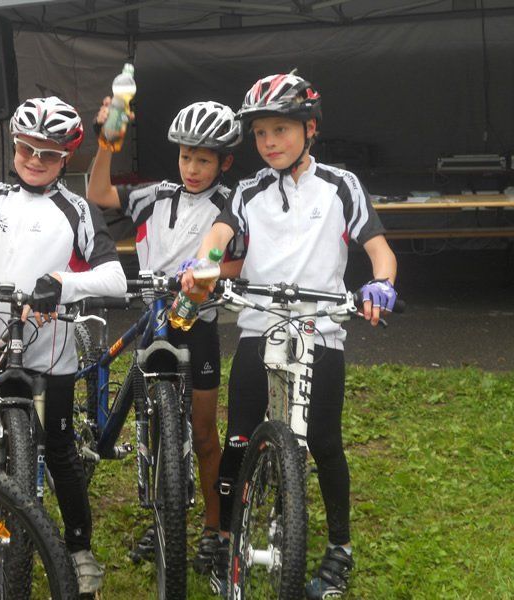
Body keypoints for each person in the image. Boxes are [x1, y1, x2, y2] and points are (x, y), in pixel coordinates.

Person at [180, 73, 398, 599]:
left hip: (320, 330)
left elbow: (379, 250)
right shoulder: (249, 190)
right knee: (239, 438)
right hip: (258, 326)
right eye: (260, 133)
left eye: (281, 129)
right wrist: (205, 262)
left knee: (324, 442)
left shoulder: (340, 185)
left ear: (310, 129)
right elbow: (220, 234)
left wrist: (382, 284)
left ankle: (340, 547)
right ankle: (226, 535)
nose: (270, 142)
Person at [0, 82, 127, 596]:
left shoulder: (77, 209)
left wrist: (63, 284)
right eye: (26, 148)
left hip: (51, 354)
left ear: (65, 157)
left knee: (58, 449)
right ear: (14, 146)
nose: (35, 160)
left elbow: (115, 278)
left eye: (48, 153)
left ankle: (78, 547)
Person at [86, 98, 245, 574]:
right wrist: (106, 142)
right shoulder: (154, 195)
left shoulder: (232, 203)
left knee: (203, 433)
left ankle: (215, 529)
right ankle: (163, 519)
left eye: (203, 160)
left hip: (199, 326)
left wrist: (208, 273)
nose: (192, 169)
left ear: (224, 163)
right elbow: (98, 192)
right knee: (156, 428)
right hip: (155, 320)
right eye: (185, 157)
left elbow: (242, 262)